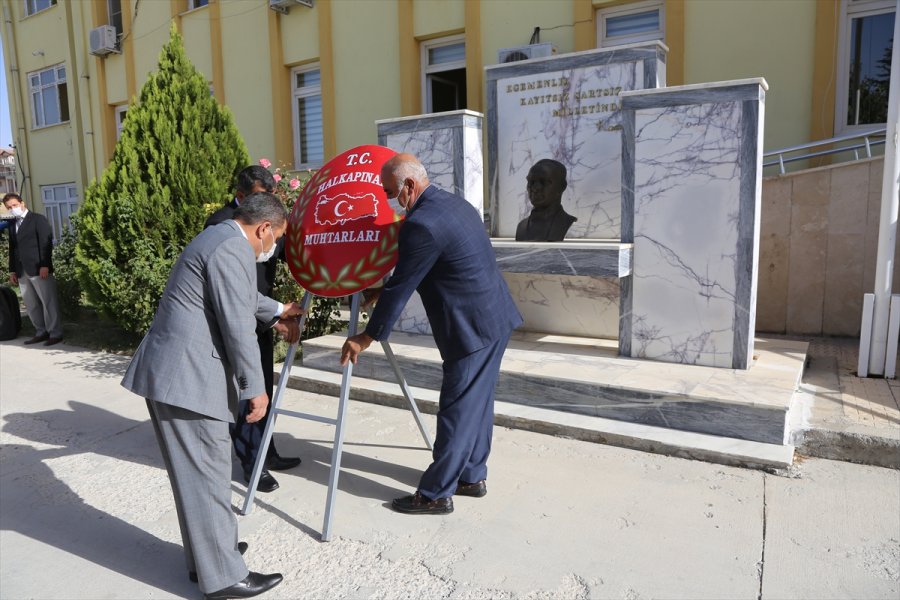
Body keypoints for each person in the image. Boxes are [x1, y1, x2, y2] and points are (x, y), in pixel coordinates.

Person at [121, 193, 300, 599]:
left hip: (178, 375)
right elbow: (237, 324)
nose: (272, 249)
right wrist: (254, 389)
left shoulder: (221, 238)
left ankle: (207, 560)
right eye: (274, 241)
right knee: (209, 477)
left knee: (197, 478)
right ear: (264, 228)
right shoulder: (230, 248)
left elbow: (240, 298)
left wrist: (278, 309)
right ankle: (223, 577)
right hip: (187, 380)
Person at [340, 153, 523, 515]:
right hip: (493, 318)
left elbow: (402, 287)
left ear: (410, 185)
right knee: (478, 403)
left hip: (470, 330)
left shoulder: (421, 223)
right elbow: (421, 265)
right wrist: (381, 290)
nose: (393, 201)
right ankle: (472, 475)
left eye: (393, 193)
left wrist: (366, 336)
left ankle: (436, 493)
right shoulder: (452, 203)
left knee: (457, 410)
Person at [206, 165, 301, 494]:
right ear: (242, 196)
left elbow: (291, 255)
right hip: (238, 320)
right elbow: (234, 296)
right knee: (248, 394)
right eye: (261, 199)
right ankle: (251, 464)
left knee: (264, 391)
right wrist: (274, 318)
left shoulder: (267, 222)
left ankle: (267, 452)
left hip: (260, 316)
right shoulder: (222, 226)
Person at [3, 193, 63, 346]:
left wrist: (45, 265)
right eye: (9, 207)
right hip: (22, 270)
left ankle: (55, 333)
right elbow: (13, 248)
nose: (12, 209)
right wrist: (12, 270)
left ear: (22, 203)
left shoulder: (37, 219)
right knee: (31, 304)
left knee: (48, 301)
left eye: (14, 205)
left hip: (38, 268)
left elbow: (46, 243)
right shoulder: (12, 224)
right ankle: (40, 331)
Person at [514, 159, 577, 242]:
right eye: (531, 182)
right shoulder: (522, 227)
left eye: (543, 182)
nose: (535, 188)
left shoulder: (567, 223)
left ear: (561, 186)